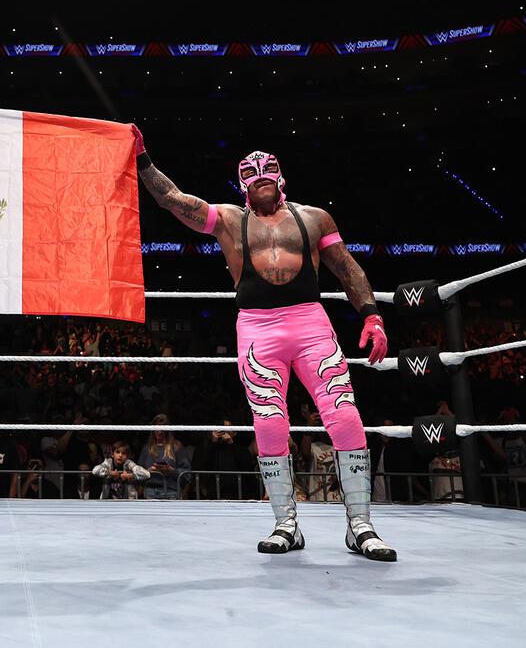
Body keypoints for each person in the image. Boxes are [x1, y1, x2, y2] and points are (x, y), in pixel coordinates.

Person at [134, 130, 396, 561]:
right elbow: (172, 199)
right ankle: (285, 523)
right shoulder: (228, 220)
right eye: (253, 177)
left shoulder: (315, 219)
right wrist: (142, 157)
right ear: (243, 185)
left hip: (311, 323)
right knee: (269, 423)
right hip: (258, 328)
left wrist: (370, 313)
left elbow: (345, 267)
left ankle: (360, 525)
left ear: (280, 179)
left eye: (267, 175)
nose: (261, 180)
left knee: (345, 414)